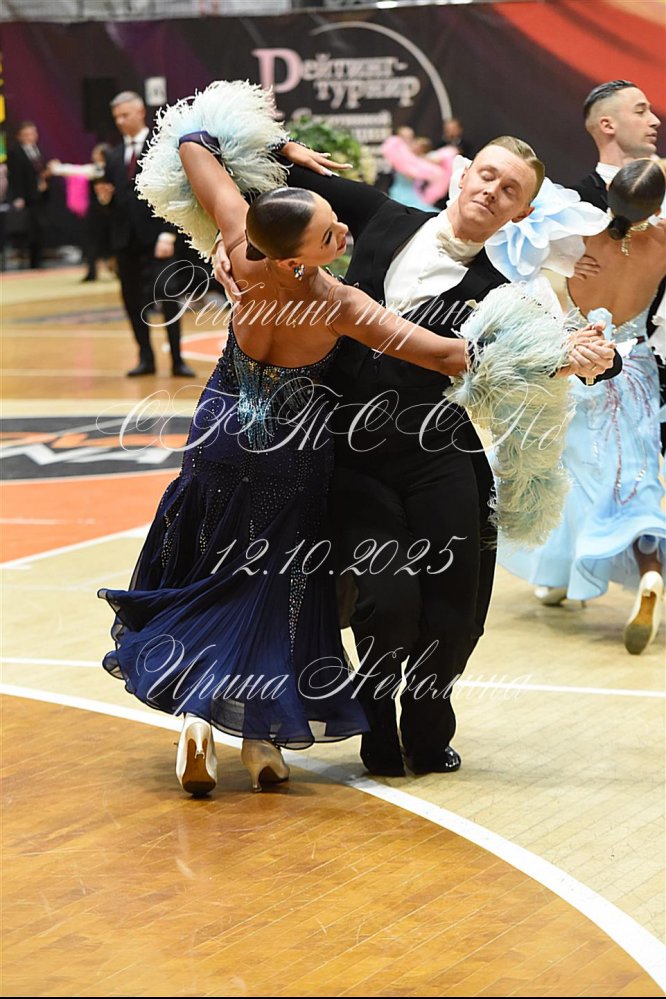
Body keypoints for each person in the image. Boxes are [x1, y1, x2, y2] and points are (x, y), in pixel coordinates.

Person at [201, 85, 618, 777]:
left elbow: (565, 348)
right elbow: (243, 171)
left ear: (522, 211)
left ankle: (428, 730)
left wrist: (597, 356)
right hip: (348, 452)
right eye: (487, 175)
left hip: (440, 455)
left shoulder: (506, 291)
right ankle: (374, 723)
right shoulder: (377, 214)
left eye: (510, 190)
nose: (493, 191)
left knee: (454, 610)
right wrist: (279, 151)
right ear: (463, 173)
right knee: (388, 599)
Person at [98, 143, 499, 795]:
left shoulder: (240, 245)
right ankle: (261, 735)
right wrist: (549, 353)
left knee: (209, 570)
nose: (344, 233)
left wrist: (278, 149)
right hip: (292, 452)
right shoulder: (336, 303)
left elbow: (193, 143)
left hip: (221, 436)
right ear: (294, 260)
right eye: (329, 234)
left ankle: (199, 718)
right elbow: (444, 356)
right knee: (275, 587)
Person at [501, 160, 666, 654]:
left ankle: (558, 575)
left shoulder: (576, 234)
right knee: (632, 477)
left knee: (569, 475)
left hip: (576, 364)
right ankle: (649, 571)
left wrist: (563, 263)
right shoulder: (662, 242)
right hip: (633, 370)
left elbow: (513, 249)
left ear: (609, 192)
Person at [572, 79, 666, 452]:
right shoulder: (572, 207)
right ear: (607, 124)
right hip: (578, 385)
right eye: (641, 111)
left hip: (648, 378)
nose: (655, 120)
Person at [96, 91, 195, 377]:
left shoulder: (162, 147)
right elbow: (114, 202)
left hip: (158, 237)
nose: (120, 121)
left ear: (140, 113)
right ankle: (145, 358)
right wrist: (105, 201)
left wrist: (169, 234)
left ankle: (177, 359)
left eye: (125, 115)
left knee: (167, 294)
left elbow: (176, 192)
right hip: (125, 239)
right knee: (131, 300)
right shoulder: (113, 156)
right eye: (116, 117)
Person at [7, 121, 50, 269]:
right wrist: (18, 197)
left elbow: (40, 172)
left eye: (32, 133)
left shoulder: (39, 151)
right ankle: (31, 262)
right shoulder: (15, 153)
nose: (30, 137)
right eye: (26, 134)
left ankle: (38, 261)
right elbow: (15, 177)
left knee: (40, 229)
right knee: (29, 231)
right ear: (19, 136)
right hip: (26, 198)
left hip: (40, 197)